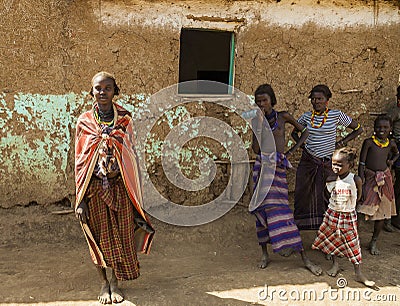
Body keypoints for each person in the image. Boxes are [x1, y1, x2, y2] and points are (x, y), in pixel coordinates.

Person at [75, 72, 155, 304]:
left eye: (107, 88)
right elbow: (79, 163)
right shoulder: (85, 122)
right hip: (95, 191)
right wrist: (80, 199)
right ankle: (103, 283)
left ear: (115, 91)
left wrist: (134, 194)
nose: (102, 92)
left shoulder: (125, 121)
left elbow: (132, 158)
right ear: (91, 92)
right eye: (98, 88)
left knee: (121, 235)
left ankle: (115, 282)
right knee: (98, 237)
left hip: (120, 188)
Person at [249, 84, 322, 276]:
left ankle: (304, 258)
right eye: (258, 101)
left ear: (272, 100)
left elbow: (304, 132)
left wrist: (291, 151)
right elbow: (256, 149)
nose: (261, 104)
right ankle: (265, 253)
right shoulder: (257, 121)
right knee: (261, 210)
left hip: (278, 169)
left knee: (283, 212)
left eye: (264, 100)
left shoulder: (283, 117)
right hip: (262, 167)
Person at [291, 84, 363, 230]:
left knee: (328, 195)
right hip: (308, 161)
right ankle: (302, 228)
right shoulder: (306, 117)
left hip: (328, 163)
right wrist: (304, 146)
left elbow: (358, 128)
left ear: (327, 100)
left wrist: (342, 142)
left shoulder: (336, 115)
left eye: (320, 99)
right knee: (303, 194)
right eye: (313, 99)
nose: (316, 101)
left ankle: (328, 229)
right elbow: (294, 133)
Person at [312, 148, 376, 289]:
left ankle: (358, 273)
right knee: (333, 241)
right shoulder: (331, 179)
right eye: (334, 164)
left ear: (350, 165)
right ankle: (335, 265)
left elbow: (358, 196)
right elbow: (326, 194)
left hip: (348, 215)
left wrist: (350, 207)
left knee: (353, 244)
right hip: (332, 214)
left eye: (340, 165)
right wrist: (332, 206)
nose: (336, 167)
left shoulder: (355, 179)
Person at [357, 115, 399, 255]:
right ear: (374, 129)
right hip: (369, 178)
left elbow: (396, 154)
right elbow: (362, 162)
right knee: (361, 209)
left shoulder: (391, 144)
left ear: (391, 129)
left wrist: (391, 161)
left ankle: (374, 241)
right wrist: (361, 179)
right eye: (379, 127)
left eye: (385, 127)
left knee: (382, 212)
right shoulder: (369, 142)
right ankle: (354, 239)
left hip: (384, 179)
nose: (382, 130)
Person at [387, 86, 400, 230]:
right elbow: (384, 125)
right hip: (398, 148)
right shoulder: (395, 112)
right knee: (396, 185)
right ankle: (392, 218)